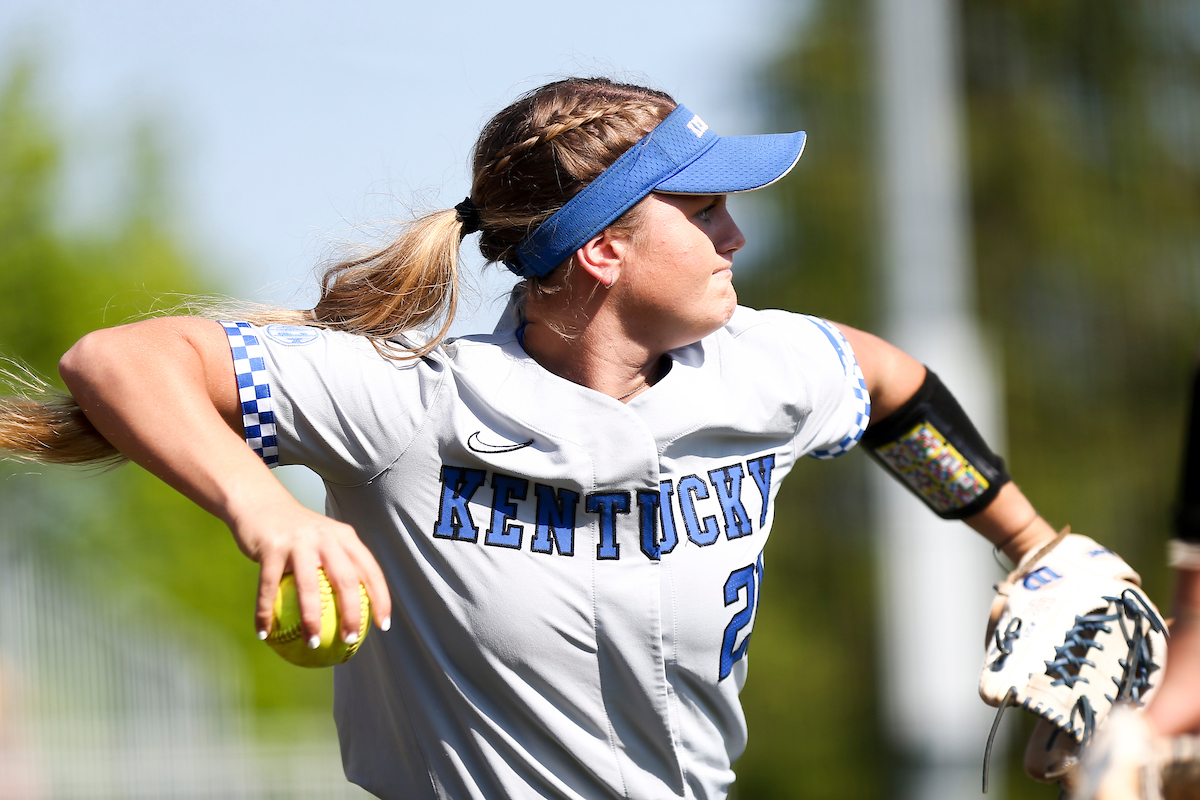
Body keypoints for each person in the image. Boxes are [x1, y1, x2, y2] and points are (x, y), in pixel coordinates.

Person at [1, 77, 1062, 800]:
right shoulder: (414, 405)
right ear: (604, 248)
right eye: (704, 210)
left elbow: (892, 387)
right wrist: (266, 504)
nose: (736, 235)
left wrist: (1032, 544)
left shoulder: (761, 368)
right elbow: (115, 359)